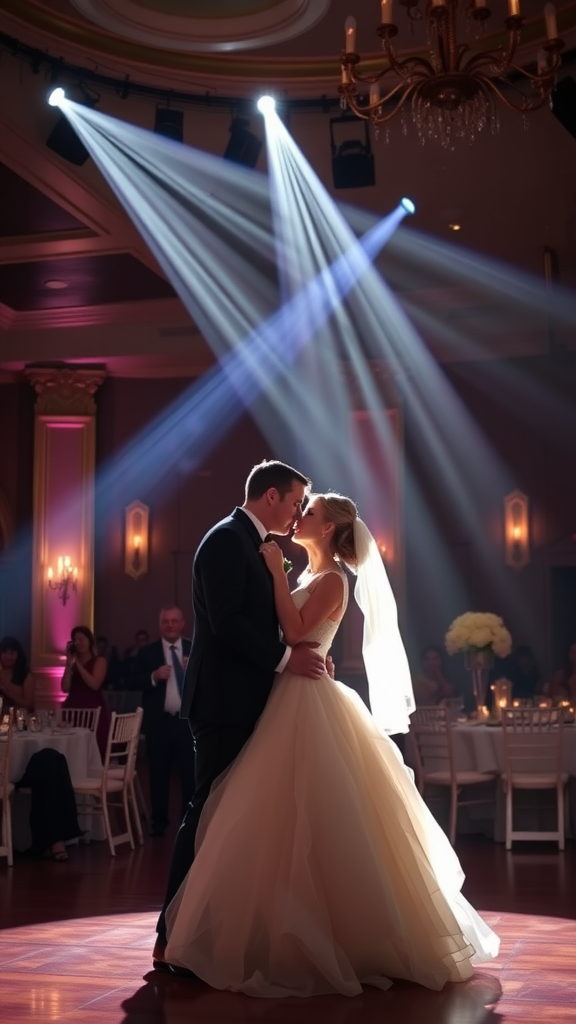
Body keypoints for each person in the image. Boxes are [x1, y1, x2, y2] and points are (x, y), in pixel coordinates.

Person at [164, 492, 499, 995]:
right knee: (271, 814)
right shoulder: (305, 578)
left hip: (308, 697)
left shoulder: (332, 579)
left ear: (326, 530)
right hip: (284, 693)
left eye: (311, 513)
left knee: (318, 811)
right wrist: (283, 581)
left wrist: (275, 572)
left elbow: (298, 632)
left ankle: (342, 933)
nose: (301, 517)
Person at [153, 460, 326, 971]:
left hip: (248, 697)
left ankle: (219, 929)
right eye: (295, 503)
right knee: (206, 810)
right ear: (270, 496)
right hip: (224, 699)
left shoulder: (254, 544)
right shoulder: (226, 539)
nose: (297, 515)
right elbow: (226, 623)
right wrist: (284, 659)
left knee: (234, 815)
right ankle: (170, 933)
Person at [132, 607, 193, 838]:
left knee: (190, 776)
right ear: (160, 626)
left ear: (182, 624)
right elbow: (131, 681)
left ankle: (189, 823)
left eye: (174, 621)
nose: (170, 625)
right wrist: (153, 677)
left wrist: (193, 671)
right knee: (158, 775)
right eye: (166, 622)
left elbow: (209, 680)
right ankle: (159, 824)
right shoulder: (148, 653)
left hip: (187, 724)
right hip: (160, 724)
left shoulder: (193, 649)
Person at [61, 625, 111, 759]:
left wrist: (78, 664)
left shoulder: (99, 660)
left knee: (94, 749)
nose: (79, 643)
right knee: (73, 750)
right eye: (76, 640)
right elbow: (65, 688)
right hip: (73, 708)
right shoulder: (72, 662)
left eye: (82, 639)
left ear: (89, 641)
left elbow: (95, 685)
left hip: (93, 708)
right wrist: (68, 662)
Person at [0, 635, 35, 712]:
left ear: (18, 655)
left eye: (12, 653)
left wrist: (6, 692)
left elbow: (29, 705)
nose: (8, 656)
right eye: (5, 652)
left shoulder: (25, 676)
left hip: (19, 719)